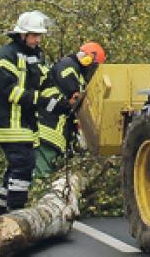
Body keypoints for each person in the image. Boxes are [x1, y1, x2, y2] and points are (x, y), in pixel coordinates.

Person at [0, 11, 67, 215]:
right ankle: (16, 213)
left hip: (26, 125)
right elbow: (11, 92)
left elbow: (43, 83)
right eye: (33, 35)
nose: (37, 39)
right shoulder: (5, 58)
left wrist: (59, 103)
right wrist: (41, 101)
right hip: (9, 125)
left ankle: (2, 211)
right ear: (21, 34)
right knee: (24, 165)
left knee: (15, 168)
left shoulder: (35, 56)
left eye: (39, 35)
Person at [35, 41, 106, 176]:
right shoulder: (67, 65)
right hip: (45, 133)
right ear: (88, 61)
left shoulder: (78, 76)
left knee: (47, 179)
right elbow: (74, 96)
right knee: (39, 177)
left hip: (54, 139)